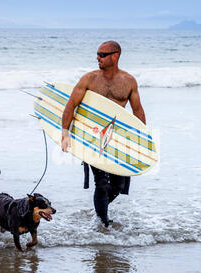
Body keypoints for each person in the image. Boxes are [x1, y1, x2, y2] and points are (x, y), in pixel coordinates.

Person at [61, 40, 146, 227]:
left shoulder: (129, 81)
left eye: (102, 54)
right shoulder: (89, 79)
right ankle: (103, 223)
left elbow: (138, 111)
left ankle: (99, 212)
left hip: (118, 139)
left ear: (115, 56)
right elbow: (71, 104)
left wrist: (141, 141)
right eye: (97, 54)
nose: (97, 58)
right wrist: (65, 132)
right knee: (102, 184)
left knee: (118, 186)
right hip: (92, 138)